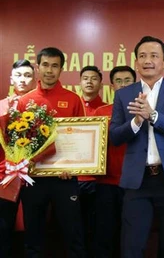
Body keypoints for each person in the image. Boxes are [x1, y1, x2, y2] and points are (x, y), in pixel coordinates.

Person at [109, 36, 164, 258]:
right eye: (143, 56)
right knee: (132, 246)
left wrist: (153, 115)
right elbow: (115, 136)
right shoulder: (123, 94)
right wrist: (136, 122)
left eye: (154, 56)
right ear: (136, 63)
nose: (148, 61)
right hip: (137, 181)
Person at [17, 47, 86, 257]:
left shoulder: (74, 99)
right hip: (34, 178)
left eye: (55, 66)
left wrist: (72, 167)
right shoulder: (24, 101)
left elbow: (80, 140)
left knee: (72, 233)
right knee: (33, 235)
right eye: (45, 65)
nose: (49, 70)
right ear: (37, 67)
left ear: (61, 69)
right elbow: (18, 142)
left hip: (64, 178)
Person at [93, 65, 136, 258]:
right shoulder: (100, 112)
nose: (123, 84)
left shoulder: (143, 112)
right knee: (105, 235)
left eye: (128, 81)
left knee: (132, 236)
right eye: (119, 81)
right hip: (105, 184)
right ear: (111, 86)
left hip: (134, 183)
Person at [0, 59, 36, 258]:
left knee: (34, 230)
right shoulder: (2, 106)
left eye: (28, 75)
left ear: (34, 79)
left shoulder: (40, 108)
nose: (23, 80)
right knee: (4, 229)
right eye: (19, 75)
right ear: (11, 78)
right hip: (5, 177)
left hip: (36, 176)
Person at [78, 65, 106, 255]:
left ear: (101, 83)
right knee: (75, 229)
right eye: (85, 78)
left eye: (94, 78)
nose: (89, 81)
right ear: (80, 82)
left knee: (98, 229)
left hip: (99, 179)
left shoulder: (107, 109)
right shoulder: (73, 105)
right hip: (73, 179)